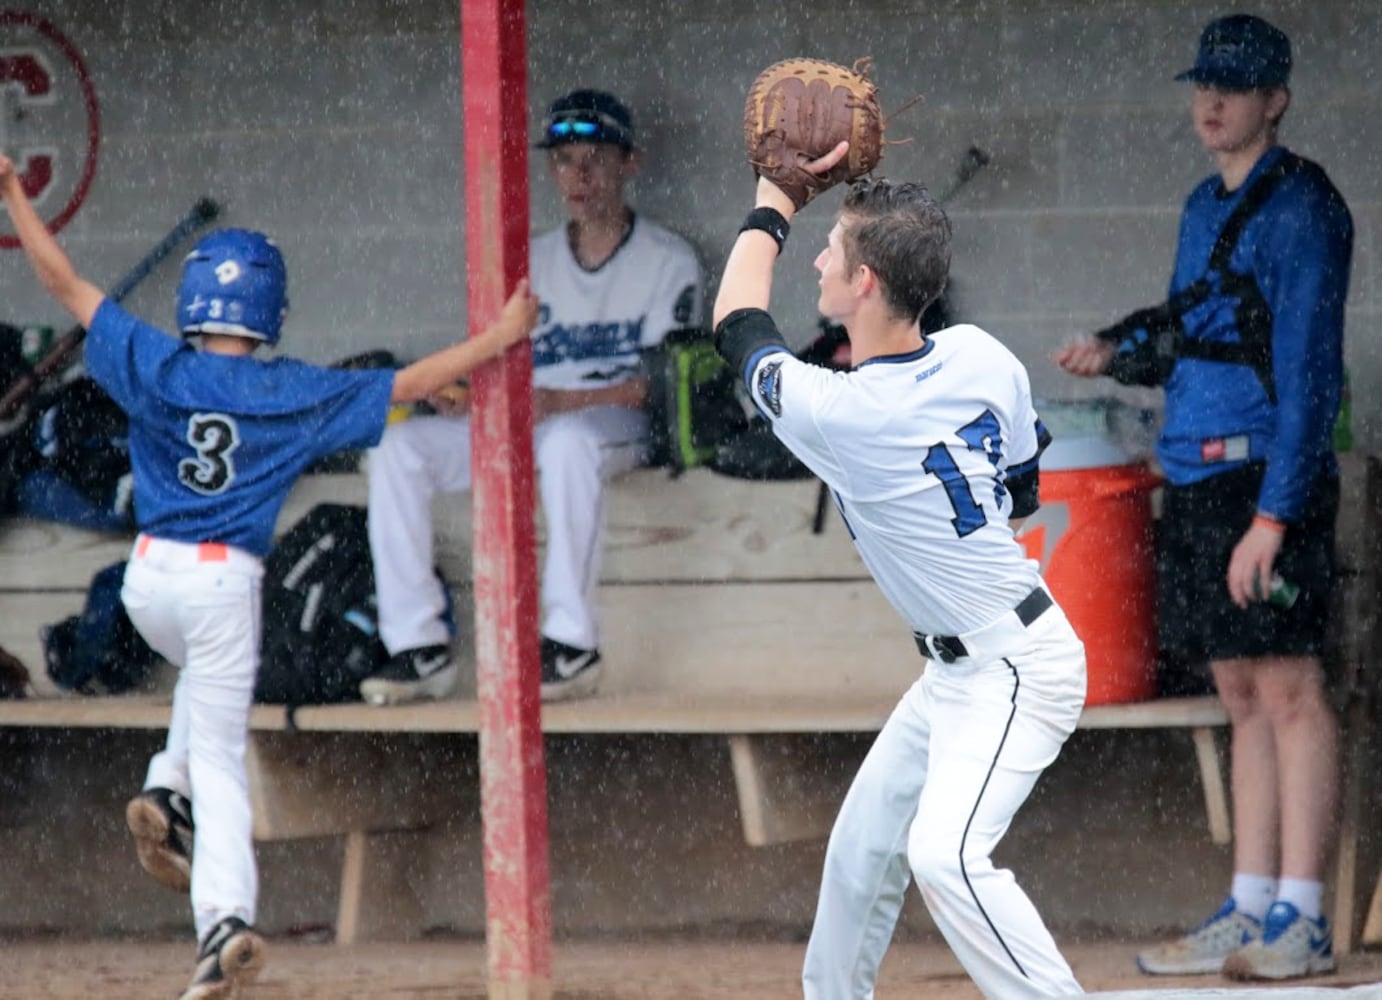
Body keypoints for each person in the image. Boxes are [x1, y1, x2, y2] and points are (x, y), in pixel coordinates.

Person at [0, 152, 538, 1000]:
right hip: (221, 586)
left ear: (192, 302)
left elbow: (63, 282)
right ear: (270, 309)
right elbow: (413, 381)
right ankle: (222, 921)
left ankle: (162, 789)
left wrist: (14, 197)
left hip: (146, 585)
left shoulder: (155, 362)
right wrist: (502, 337)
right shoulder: (288, 389)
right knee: (220, 753)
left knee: (198, 705)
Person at [713, 151, 1088, 994]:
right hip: (956, 668)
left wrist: (775, 202)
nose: (817, 261)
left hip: (1016, 666)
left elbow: (736, 323)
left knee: (945, 857)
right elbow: (1024, 486)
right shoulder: (981, 354)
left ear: (866, 283)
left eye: (833, 252)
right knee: (859, 856)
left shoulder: (843, 412)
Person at [1056, 13, 1352, 983]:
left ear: (1275, 97)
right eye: (1202, 84)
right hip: (1190, 470)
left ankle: (1301, 915)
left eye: (1234, 85)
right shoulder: (1199, 202)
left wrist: (1273, 514)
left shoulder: (1302, 205)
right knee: (1237, 690)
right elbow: (1197, 326)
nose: (1211, 100)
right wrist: (1116, 347)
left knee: (1290, 688)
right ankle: (1250, 899)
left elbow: (1306, 372)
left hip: (1265, 474)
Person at [358, 88, 703, 706]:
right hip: (532, 424)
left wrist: (557, 403)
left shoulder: (665, 259)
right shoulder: (529, 260)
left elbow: (660, 386)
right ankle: (419, 647)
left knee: (570, 444)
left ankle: (571, 644)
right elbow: (493, 359)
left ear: (631, 163)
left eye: (597, 156)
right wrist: (462, 391)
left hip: (610, 426)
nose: (580, 174)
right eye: (565, 159)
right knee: (399, 447)